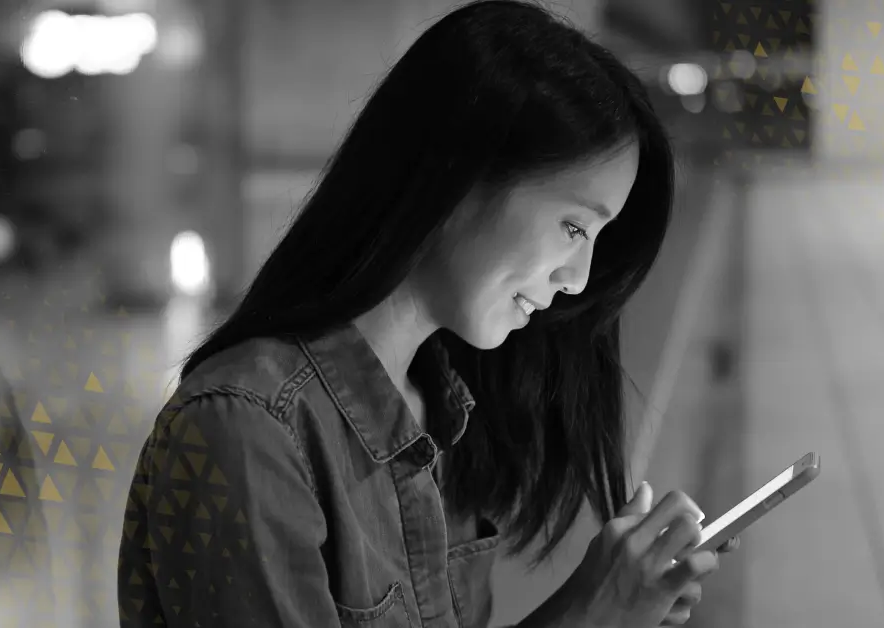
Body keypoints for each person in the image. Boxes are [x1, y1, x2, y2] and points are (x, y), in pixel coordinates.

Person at [117, 2, 737, 627]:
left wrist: (607, 606)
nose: (577, 278)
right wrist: (592, 614)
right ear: (458, 177)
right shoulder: (249, 433)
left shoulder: (444, 413)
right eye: (573, 225)